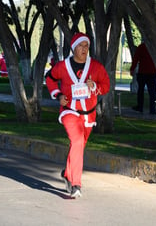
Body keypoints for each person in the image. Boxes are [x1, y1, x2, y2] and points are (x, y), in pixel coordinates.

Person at [45, 32, 110, 198]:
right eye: (80, 46)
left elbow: (106, 85)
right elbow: (50, 78)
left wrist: (94, 86)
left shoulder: (96, 67)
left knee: (79, 145)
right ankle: (76, 184)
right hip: (70, 111)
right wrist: (58, 95)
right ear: (73, 48)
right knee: (77, 141)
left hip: (89, 114)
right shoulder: (62, 66)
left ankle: (67, 173)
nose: (84, 49)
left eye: (86, 46)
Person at [129, 42, 156, 114]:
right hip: (153, 72)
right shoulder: (155, 47)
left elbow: (136, 59)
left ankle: (140, 107)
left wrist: (132, 69)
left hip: (143, 71)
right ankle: (152, 109)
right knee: (152, 92)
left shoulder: (141, 47)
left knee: (140, 90)